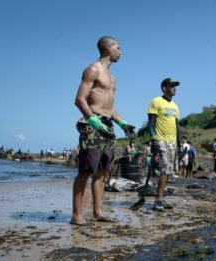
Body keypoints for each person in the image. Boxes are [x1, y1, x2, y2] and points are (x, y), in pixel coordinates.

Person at [71, 36, 136, 225]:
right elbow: (80, 99)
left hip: (108, 126)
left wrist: (123, 123)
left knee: (102, 172)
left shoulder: (112, 76)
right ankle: (76, 215)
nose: (120, 52)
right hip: (93, 125)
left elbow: (109, 106)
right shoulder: (93, 69)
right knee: (86, 170)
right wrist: (92, 120)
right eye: (118, 48)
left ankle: (98, 212)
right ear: (109, 48)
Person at [147, 77, 181, 211]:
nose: (174, 88)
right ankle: (158, 200)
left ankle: (161, 199)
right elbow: (151, 122)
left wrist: (179, 143)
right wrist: (154, 139)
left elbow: (176, 125)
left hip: (172, 141)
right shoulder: (156, 101)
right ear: (164, 88)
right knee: (165, 168)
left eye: (175, 86)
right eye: (172, 85)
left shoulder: (175, 106)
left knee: (169, 171)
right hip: (161, 139)